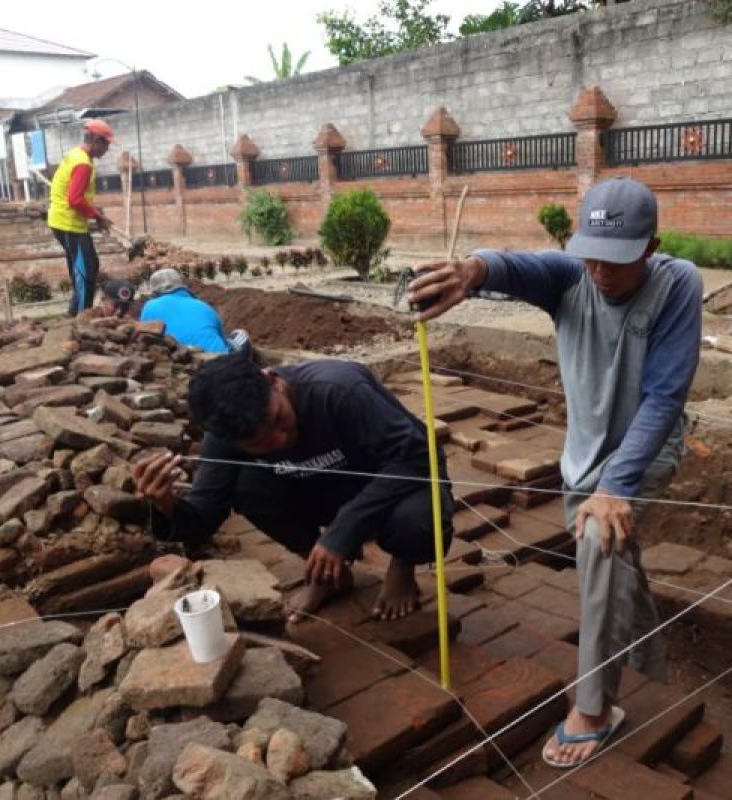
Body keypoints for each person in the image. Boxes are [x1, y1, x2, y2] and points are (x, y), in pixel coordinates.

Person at [409, 177, 702, 769]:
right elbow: (518, 268)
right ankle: (644, 651)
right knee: (609, 555)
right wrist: (472, 271)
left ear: (651, 246)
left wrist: (616, 487)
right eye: (590, 254)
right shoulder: (571, 277)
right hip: (583, 453)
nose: (600, 271)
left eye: (616, 260)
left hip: (646, 449)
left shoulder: (678, 285)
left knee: (602, 539)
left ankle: (595, 706)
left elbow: (665, 395)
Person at [132, 352, 453, 622]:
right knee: (248, 487)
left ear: (274, 381)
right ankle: (327, 575)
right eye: (258, 443)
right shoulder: (226, 435)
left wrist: (342, 531)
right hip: (320, 491)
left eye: (278, 420)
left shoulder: (337, 388)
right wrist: (165, 505)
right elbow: (203, 517)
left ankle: (402, 565)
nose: (279, 440)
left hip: (386, 484)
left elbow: (421, 456)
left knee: (419, 519)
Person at [48, 119, 115, 316]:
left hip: (66, 222)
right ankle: (80, 317)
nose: (107, 149)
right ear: (95, 140)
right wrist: (96, 216)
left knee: (87, 267)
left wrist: (95, 212)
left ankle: (77, 313)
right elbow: (75, 199)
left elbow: (77, 194)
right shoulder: (83, 164)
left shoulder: (76, 154)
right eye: (106, 144)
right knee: (85, 271)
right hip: (68, 224)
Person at [139, 268, 235, 354]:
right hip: (223, 362)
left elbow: (143, 339)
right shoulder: (205, 307)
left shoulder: (150, 306)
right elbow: (223, 339)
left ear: (155, 292)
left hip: (186, 364)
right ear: (182, 287)